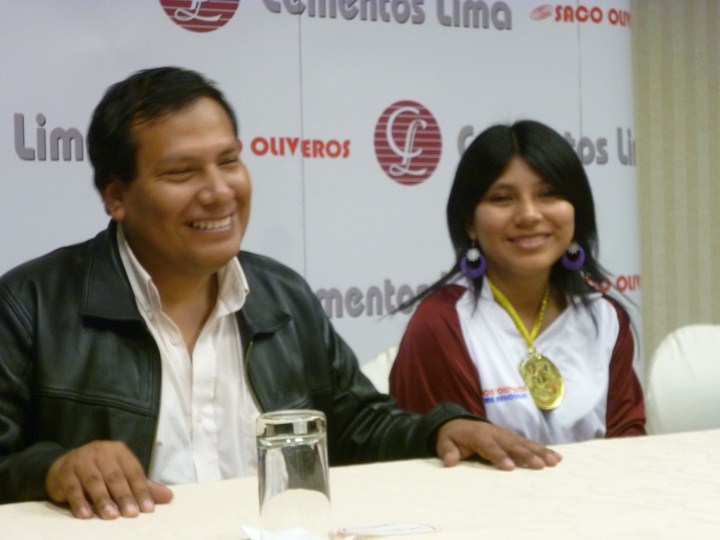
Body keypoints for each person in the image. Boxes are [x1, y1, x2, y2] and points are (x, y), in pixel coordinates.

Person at [0, 68, 561, 520]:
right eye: (181, 173)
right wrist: (51, 469)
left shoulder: (281, 297)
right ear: (116, 196)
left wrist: (442, 428)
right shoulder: (31, 305)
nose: (219, 192)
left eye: (229, 161)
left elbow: (358, 427)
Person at [389, 120, 646, 444]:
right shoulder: (442, 324)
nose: (529, 215)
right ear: (469, 222)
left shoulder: (605, 318)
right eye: (502, 198)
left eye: (548, 194)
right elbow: (443, 458)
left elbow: (628, 445)